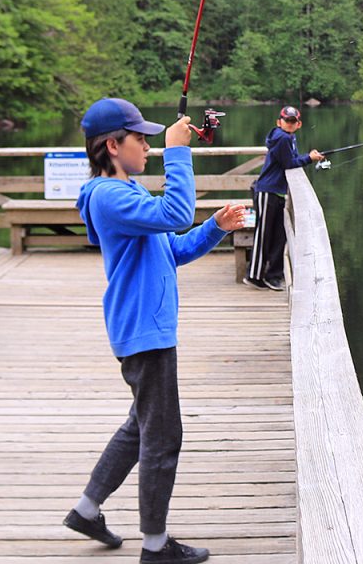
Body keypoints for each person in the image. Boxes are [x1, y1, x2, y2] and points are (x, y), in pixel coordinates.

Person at [63, 97, 246, 564]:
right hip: (145, 331)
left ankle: (87, 510)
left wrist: (216, 227)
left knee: (141, 426)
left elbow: (175, 247)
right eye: (139, 139)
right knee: (163, 436)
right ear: (111, 145)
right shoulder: (110, 196)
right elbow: (175, 214)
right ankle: (156, 546)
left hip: (146, 327)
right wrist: (178, 151)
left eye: (149, 140)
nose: (146, 147)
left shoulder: (131, 194)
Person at [244, 105, 325, 290]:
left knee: (278, 236)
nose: (289, 124)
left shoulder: (289, 138)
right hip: (267, 191)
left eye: (292, 121)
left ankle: (272, 275)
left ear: (298, 124)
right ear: (279, 122)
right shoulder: (282, 138)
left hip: (277, 192)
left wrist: (308, 157)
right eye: (286, 121)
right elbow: (289, 163)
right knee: (264, 235)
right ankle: (254, 276)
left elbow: (291, 159)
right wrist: (309, 159)